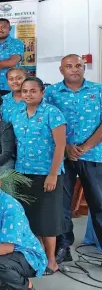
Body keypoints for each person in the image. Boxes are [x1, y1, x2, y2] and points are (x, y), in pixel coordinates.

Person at [45, 54, 102, 264]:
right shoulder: (51, 93)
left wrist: (85, 147)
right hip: (62, 156)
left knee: (99, 203)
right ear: (61, 70)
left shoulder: (98, 90)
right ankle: (63, 246)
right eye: (69, 66)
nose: (74, 69)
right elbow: (46, 123)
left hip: (94, 154)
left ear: (84, 67)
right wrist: (66, 146)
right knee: (61, 205)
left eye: (78, 65)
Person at [9, 77, 66, 275]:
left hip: (46, 174)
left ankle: (52, 261)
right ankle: (39, 256)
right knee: (30, 218)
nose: (28, 94)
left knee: (47, 219)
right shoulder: (17, 114)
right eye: (25, 91)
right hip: (23, 173)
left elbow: (60, 145)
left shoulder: (52, 113)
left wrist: (53, 174)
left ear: (42, 92)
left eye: (33, 91)